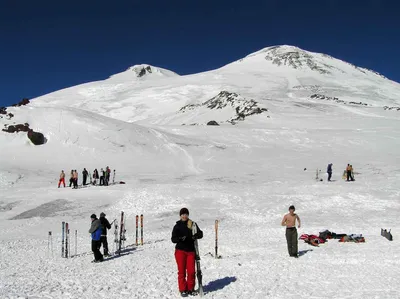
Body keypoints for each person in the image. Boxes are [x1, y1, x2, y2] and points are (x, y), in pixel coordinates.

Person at [171, 208, 203, 297]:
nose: (184, 216)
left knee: (191, 271)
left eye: (186, 214)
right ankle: (183, 289)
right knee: (181, 271)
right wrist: (180, 239)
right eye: (183, 214)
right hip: (180, 251)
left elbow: (201, 234)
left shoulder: (192, 224)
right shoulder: (177, 226)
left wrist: (197, 235)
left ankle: (190, 288)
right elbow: (173, 239)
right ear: (180, 215)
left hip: (191, 251)